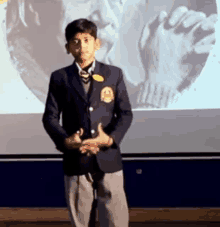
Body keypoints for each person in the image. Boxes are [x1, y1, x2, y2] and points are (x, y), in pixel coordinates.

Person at [5, 0, 218, 111]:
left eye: (115, 2)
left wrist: (169, 78)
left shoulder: (115, 89)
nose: (106, 17)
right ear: (30, 9)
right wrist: (160, 85)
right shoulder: (16, 99)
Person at [42, 19, 133, 227]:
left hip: (109, 159)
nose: (81, 46)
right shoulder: (60, 77)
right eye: (75, 41)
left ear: (97, 43)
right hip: (76, 160)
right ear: (67, 48)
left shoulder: (114, 74)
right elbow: (50, 117)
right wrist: (66, 141)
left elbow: (126, 113)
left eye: (86, 40)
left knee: (116, 221)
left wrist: (109, 139)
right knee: (81, 222)